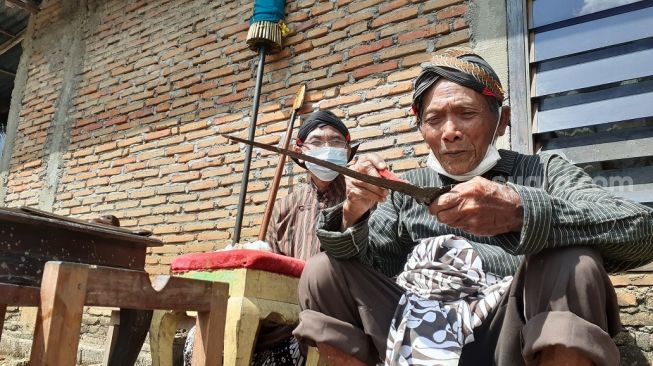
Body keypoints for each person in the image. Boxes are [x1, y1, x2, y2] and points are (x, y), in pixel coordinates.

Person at [292, 48, 653, 366]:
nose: (449, 131)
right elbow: (372, 265)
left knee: (574, 263)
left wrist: (520, 211)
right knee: (322, 271)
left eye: (466, 113)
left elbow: (641, 230)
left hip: (512, 331)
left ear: (502, 121)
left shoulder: (542, 171)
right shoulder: (406, 188)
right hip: (413, 328)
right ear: (421, 127)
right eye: (434, 120)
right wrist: (355, 210)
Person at [183, 110, 358, 366]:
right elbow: (272, 266)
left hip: (330, 312)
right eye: (317, 142)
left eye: (336, 142)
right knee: (201, 336)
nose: (327, 148)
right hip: (281, 314)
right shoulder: (287, 205)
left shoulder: (358, 197)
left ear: (348, 151)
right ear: (300, 154)